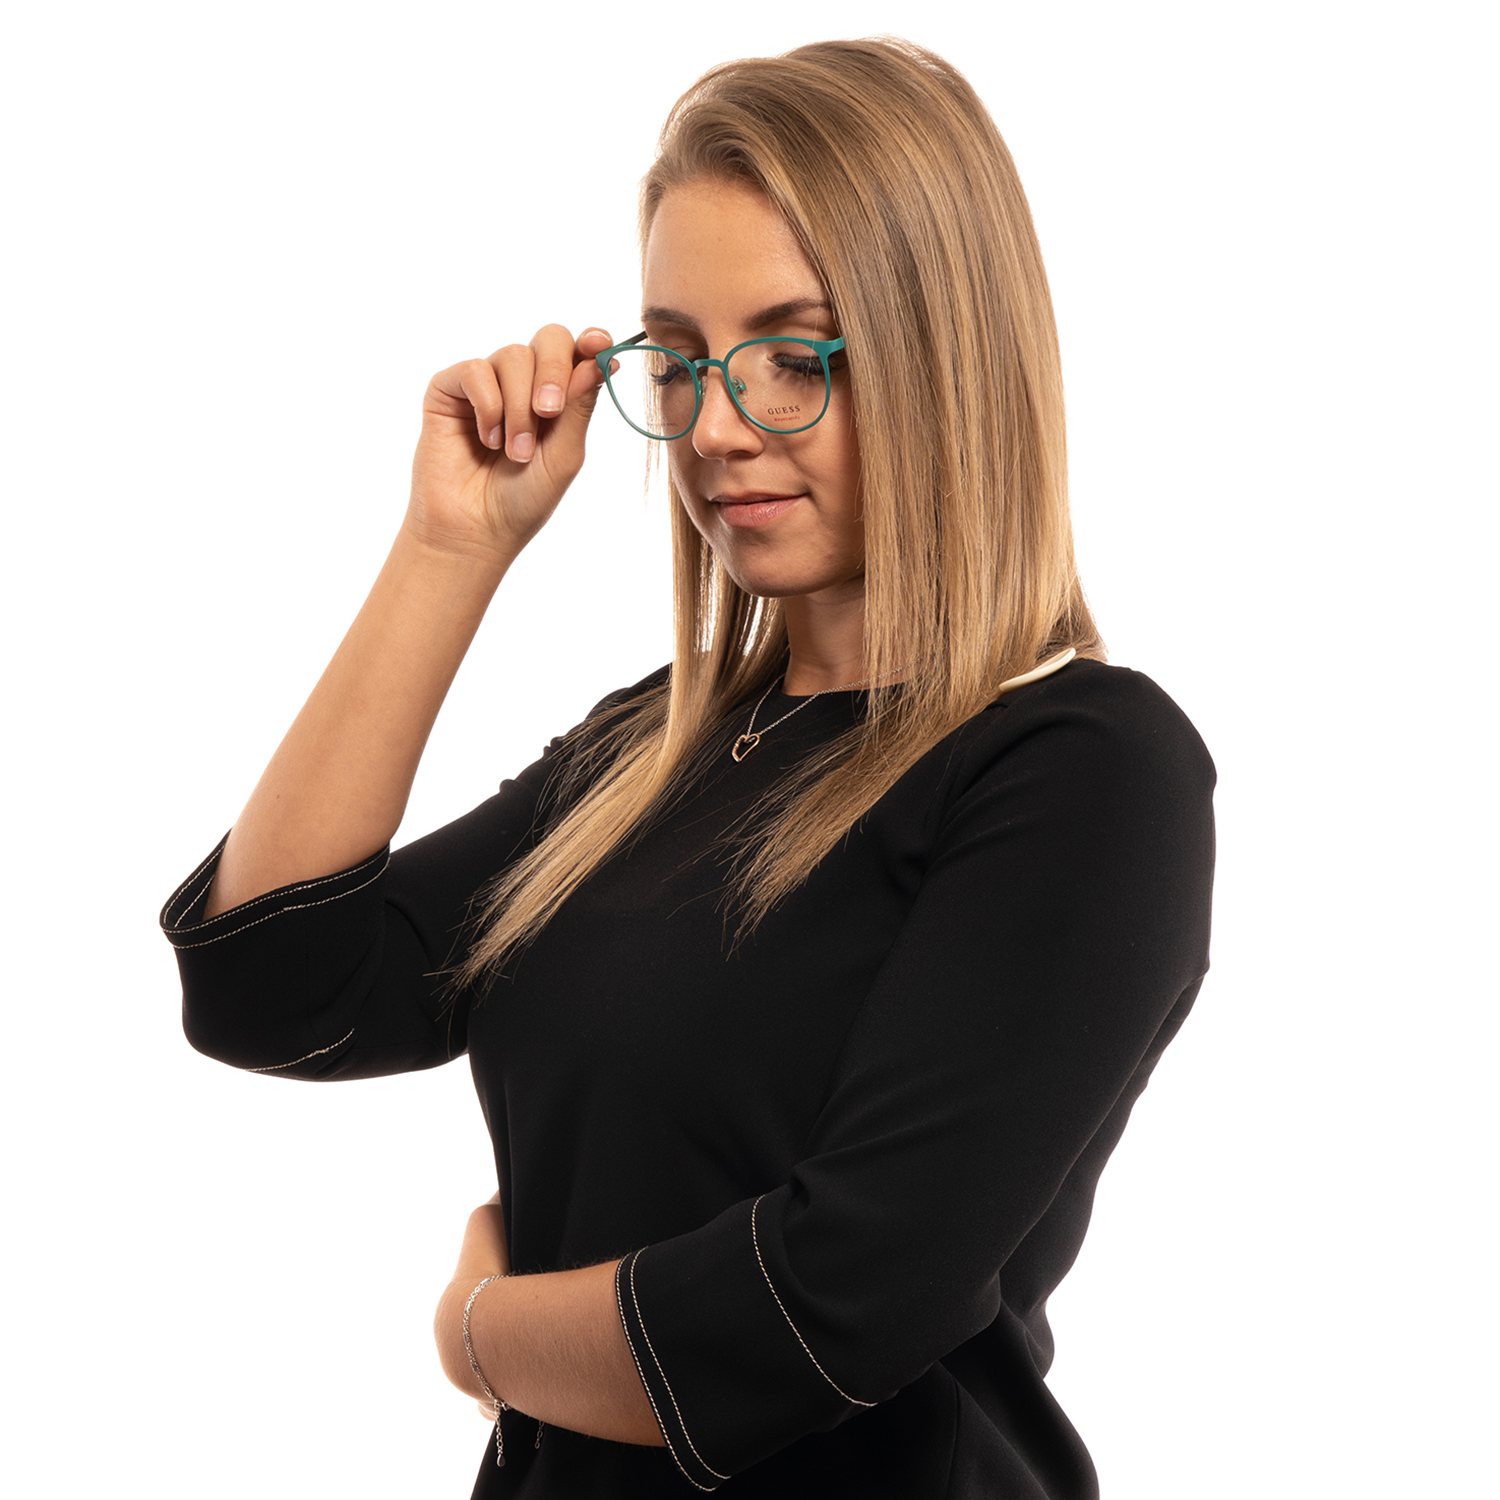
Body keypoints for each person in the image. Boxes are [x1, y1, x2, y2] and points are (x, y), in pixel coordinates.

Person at [161, 36, 1215, 1500]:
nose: (715, 430)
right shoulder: (645, 750)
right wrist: (451, 546)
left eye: (798, 357)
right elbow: (269, 983)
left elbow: (819, 1317)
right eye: (679, 360)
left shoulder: (1081, 768)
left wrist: (479, 1332)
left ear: (948, 362)